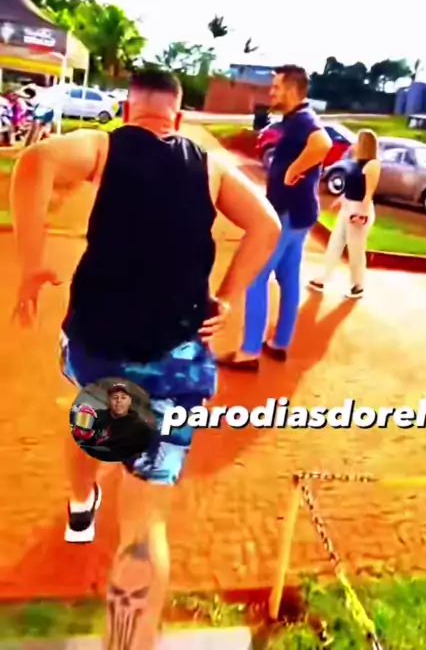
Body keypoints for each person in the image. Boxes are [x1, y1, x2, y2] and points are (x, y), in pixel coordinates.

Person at [10, 68, 281, 650]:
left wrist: (32, 263)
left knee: (97, 413)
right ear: (178, 118)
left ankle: (81, 502)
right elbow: (267, 224)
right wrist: (228, 297)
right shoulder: (209, 167)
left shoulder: (104, 146)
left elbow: (35, 162)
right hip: (176, 360)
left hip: (100, 346)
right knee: (143, 524)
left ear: (127, 111)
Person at [220, 65, 332, 371]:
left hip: (287, 214)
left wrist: (294, 169)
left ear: (292, 90)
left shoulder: (303, 119)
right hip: (300, 214)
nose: (271, 92)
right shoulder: (295, 120)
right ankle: (280, 343)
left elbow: (322, 143)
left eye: (276, 87)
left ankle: (250, 352)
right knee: (288, 277)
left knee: (256, 276)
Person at [308, 128, 381, 299]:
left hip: (360, 209)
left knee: (356, 249)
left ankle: (358, 286)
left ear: (365, 144)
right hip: (348, 207)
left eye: (358, 141)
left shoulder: (372, 164)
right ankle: (323, 278)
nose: (355, 144)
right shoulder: (355, 162)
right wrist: (341, 200)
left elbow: (368, 192)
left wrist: (362, 214)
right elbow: (352, 187)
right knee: (335, 243)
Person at [71, 383, 154, 463]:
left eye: (123, 398)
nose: (119, 401)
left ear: (129, 401)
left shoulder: (139, 428)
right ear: (109, 400)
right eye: (115, 397)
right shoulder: (97, 415)